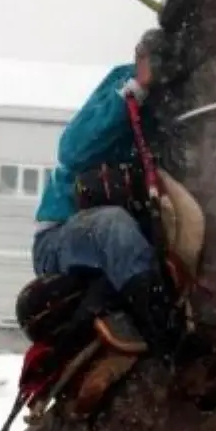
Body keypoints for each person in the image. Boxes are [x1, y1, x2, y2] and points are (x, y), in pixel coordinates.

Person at [32, 32, 183, 357]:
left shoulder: (184, 110)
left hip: (134, 245)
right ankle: (171, 345)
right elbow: (73, 149)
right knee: (112, 225)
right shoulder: (124, 83)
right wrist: (138, 88)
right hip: (63, 237)